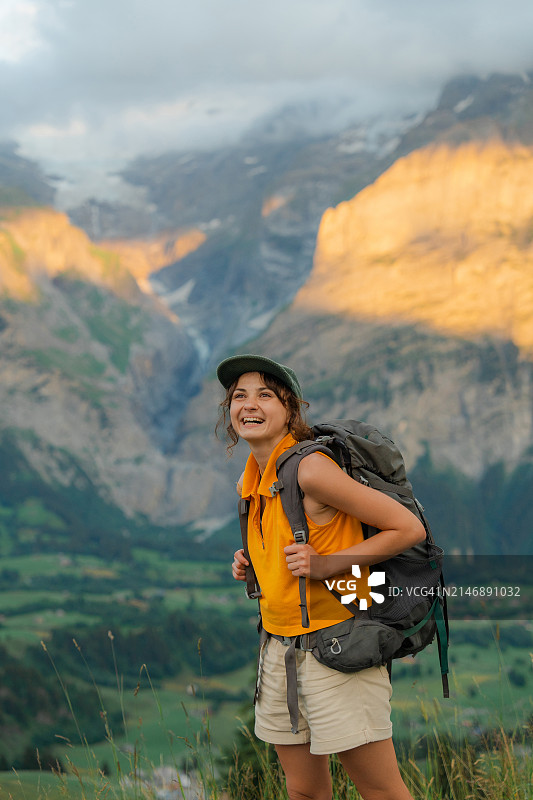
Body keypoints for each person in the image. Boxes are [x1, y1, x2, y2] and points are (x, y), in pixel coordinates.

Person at [216, 354, 425, 800]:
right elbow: (296, 543)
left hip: (338, 646)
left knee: (382, 792)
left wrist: (327, 565)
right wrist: (253, 561)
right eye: (239, 396)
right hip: (280, 649)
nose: (249, 405)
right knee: (305, 793)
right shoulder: (252, 477)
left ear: (291, 410)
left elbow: (407, 529)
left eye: (265, 395)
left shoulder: (310, 469)